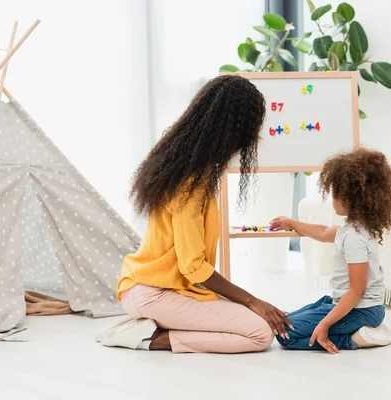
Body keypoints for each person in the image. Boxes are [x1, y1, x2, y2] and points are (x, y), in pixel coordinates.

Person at [105, 75, 291, 354]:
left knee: (252, 318)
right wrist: (252, 301)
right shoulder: (190, 184)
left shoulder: (185, 163)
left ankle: (159, 328)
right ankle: (148, 338)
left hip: (159, 289)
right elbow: (193, 267)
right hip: (153, 294)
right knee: (259, 334)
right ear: (234, 130)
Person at [270, 148, 391, 354]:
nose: (332, 199)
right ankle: (365, 329)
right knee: (286, 322)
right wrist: (291, 222)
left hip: (363, 311)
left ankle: (358, 337)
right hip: (355, 306)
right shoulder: (354, 229)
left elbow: (357, 291)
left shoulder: (355, 238)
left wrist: (324, 325)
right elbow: (324, 232)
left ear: (350, 198)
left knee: (286, 335)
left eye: (335, 193)